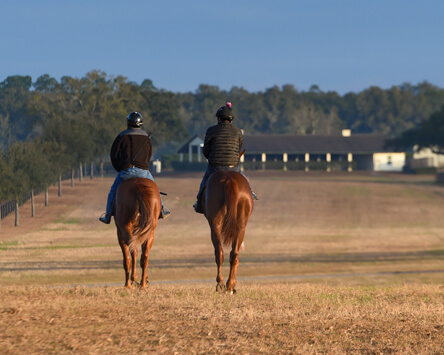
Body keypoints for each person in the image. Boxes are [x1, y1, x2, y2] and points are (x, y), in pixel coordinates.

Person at [99, 111, 170, 224]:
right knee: (155, 189)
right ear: (141, 124)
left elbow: (114, 155)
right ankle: (162, 210)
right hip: (143, 172)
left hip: (126, 171)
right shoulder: (147, 137)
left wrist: (120, 169)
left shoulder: (122, 136)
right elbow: (148, 155)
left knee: (113, 191)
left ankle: (107, 215)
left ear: (128, 123)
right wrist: (144, 166)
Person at [193, 102, 258, 213]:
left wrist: (212, 158)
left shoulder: (211, 130)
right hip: (233, 166)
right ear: (231, 120)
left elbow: (206, 151)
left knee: (204, 181)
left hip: (215, 167)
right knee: (244, 180)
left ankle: (199, 202)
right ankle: (250, 193)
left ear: (218, 119)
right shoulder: (238, 132)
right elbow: (237, 150)